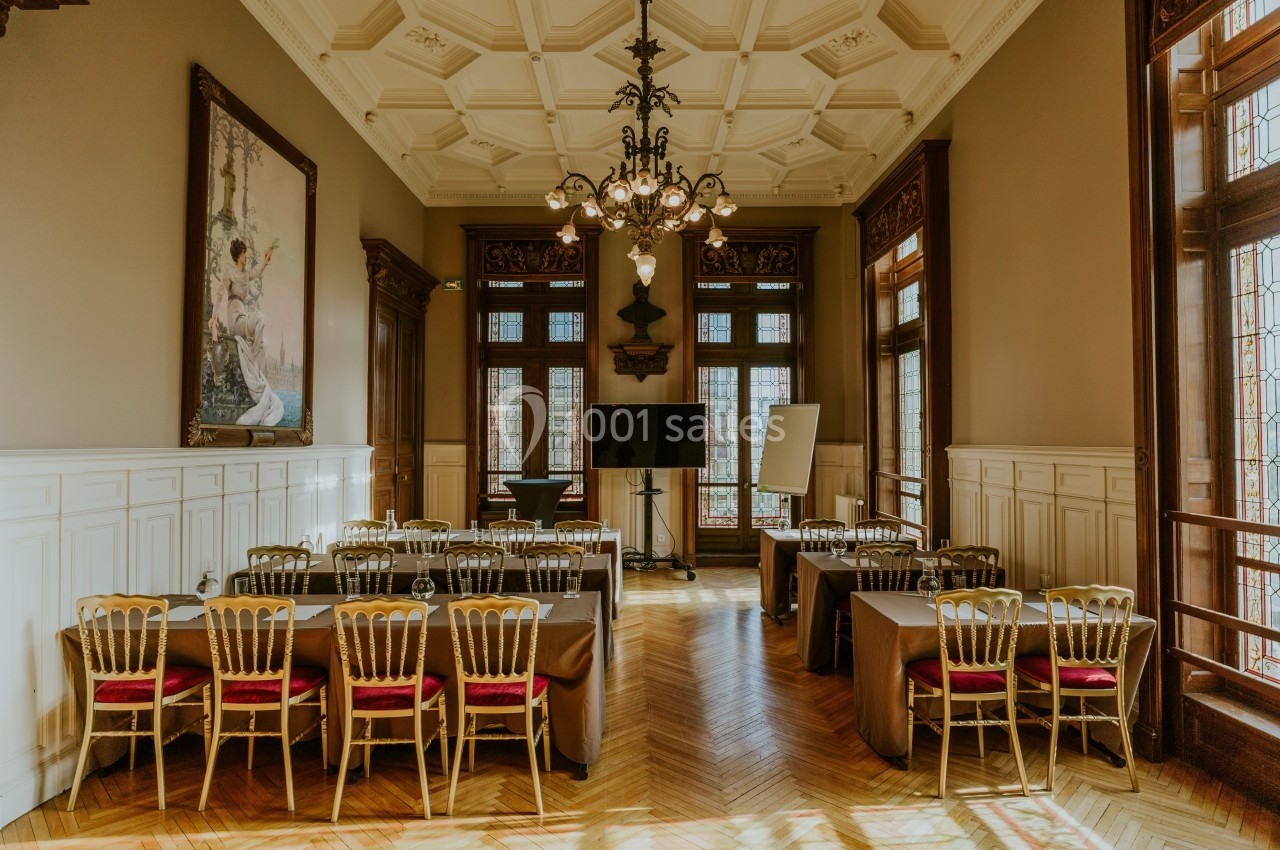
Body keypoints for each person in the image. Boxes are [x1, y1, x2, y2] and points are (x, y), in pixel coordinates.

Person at [208, 238, 284, 426]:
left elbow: (255, 272)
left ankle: (254, 363)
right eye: (245, 253)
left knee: (262, 332)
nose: (247, 256)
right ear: (239, 254)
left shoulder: (244, 275)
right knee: (259, 317)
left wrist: (265, 262)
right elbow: (219, 294)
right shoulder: (230, 273)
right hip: (235, 318)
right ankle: (251, 355)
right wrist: (213, 316)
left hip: (243, 315)